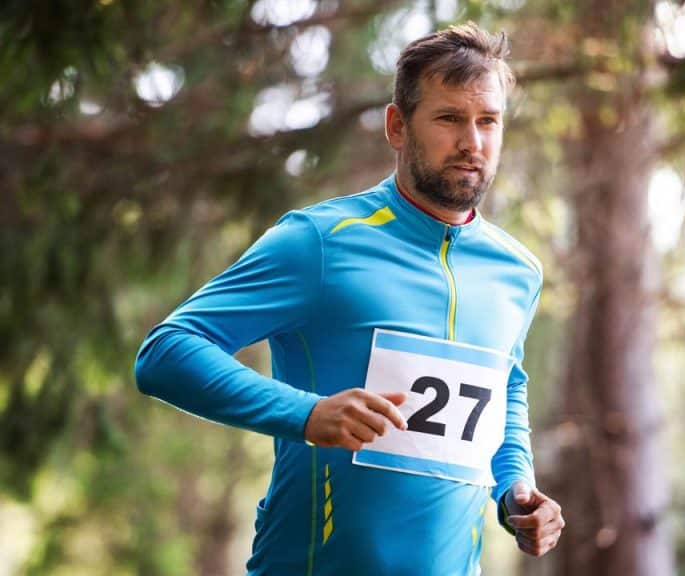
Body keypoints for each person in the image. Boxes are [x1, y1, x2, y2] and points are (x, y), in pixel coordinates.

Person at [135, 22, 565, 575]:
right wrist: (305, 413)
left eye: (488, 121)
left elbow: (505, 387)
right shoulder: (320, 242)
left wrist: (515, 488)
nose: (472, 142)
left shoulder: (517, 271)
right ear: (397, 126)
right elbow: (166, 352)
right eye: (448, 118)